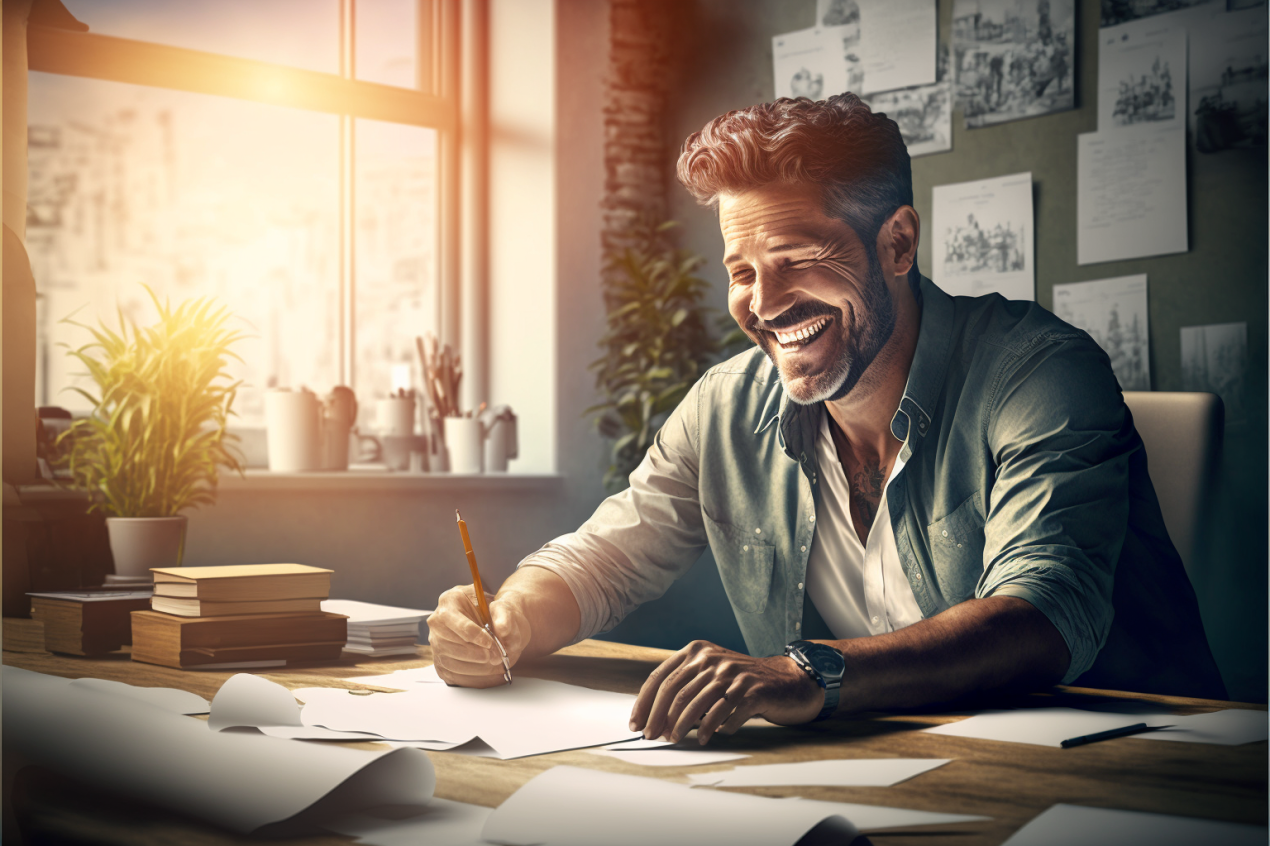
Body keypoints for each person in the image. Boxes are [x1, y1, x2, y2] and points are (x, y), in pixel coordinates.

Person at [426, 94, 1225, 747]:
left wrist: (810, 671)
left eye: (798, 258)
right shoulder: (726, 405)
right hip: (899, 765)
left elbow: (1043, 616)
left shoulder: (1041, 371)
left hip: (1137, 770)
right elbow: (603, 558)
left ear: (899, 244)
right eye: (743, 272)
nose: (765, 306)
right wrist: (509, 619)